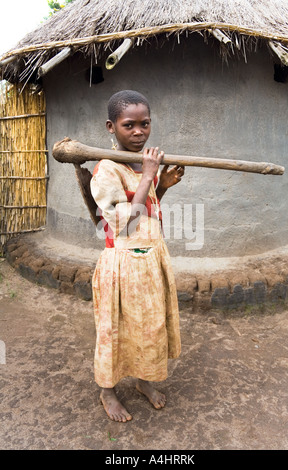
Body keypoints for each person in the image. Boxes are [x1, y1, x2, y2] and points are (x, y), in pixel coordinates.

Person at [90, 90, 185, 422]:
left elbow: (145, 206)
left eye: (145, 124)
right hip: (122, 265)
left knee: (148, 328)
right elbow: (125, 222)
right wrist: (148, 175)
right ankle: (107, 392)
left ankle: (144, 381)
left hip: (150, 261)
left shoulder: (145, 163)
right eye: (128, 125)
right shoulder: (106, 171)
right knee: (114, 330)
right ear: (111, 127)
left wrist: (164, 185)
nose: (139, 132)